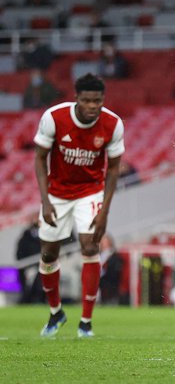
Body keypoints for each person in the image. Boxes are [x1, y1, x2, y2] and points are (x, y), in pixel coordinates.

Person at [34, 73, 124, 338]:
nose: (92, 106)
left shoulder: (113, 123)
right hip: (57, 193)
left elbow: (115, 168)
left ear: (102, 100)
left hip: (90, 192)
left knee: (90, 245)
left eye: (97, 101)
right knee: (49, 254)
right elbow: (39, 159)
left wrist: (105, 211)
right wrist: (45, 201)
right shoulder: (54, 118)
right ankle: (56, 312)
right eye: (87, 100)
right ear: (77, 99)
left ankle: (86, 321)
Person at [15, 213, 43, 304]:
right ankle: (27, 300)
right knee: (28, 285)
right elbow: (20, 251)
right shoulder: (26, 235)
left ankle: (39, 299)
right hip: (28, 265)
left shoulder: (46, 234)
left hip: (41, 264)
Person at [99, 234, 125, 304]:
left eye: (105, 242)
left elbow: (115, 273)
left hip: (111, 288)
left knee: (110, 304)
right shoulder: (99, 256)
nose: (103, 244)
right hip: (101, 287)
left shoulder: (114, 256)